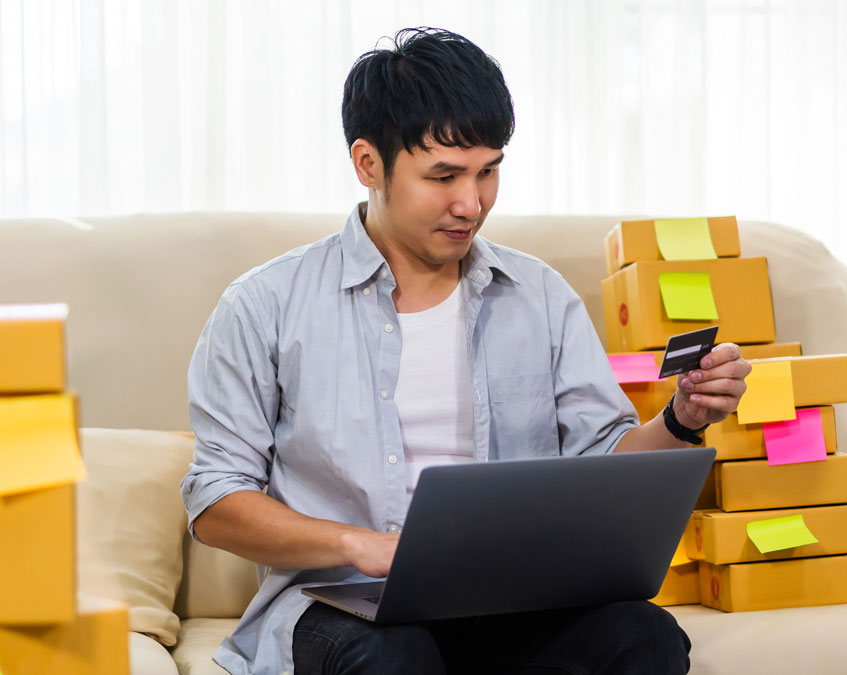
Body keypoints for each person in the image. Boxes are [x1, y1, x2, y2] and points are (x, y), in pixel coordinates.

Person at [181, 27, 751, 675]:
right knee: (394, 656)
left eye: (489, 170)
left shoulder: (540, 295)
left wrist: (682, 418)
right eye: (444, 175)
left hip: (516, 602)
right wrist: (359, 545)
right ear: (369, 164)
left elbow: (604, 459)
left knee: (643, 636)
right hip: (343, 603)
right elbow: (215, 500)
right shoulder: (264, 305)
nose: (470, 202)